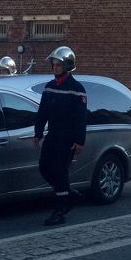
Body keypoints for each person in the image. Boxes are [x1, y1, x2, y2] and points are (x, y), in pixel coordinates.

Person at [34, 46, 87, 226]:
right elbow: (42, 112)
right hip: (53, 135)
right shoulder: (49, 87)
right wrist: (38, 132)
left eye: (58, 64)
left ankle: (60, 209)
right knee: (44, 168)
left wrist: (80, 141)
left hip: (68, 138)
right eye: (53, 64)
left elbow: (81, 117)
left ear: (67, 66)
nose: (55, 67)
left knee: (60, 171)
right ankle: (68, 194)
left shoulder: (77, 88)